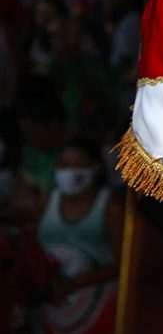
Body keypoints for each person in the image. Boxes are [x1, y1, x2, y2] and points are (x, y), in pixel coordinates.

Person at [38, 138, 122, 334]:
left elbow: (124, 264)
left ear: (96, 168)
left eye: (78, 165)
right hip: (55, 313)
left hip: (101, 309)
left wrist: (75, 283)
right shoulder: (46, 201)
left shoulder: (111, 207)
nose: (69, 171)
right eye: (64, 165)